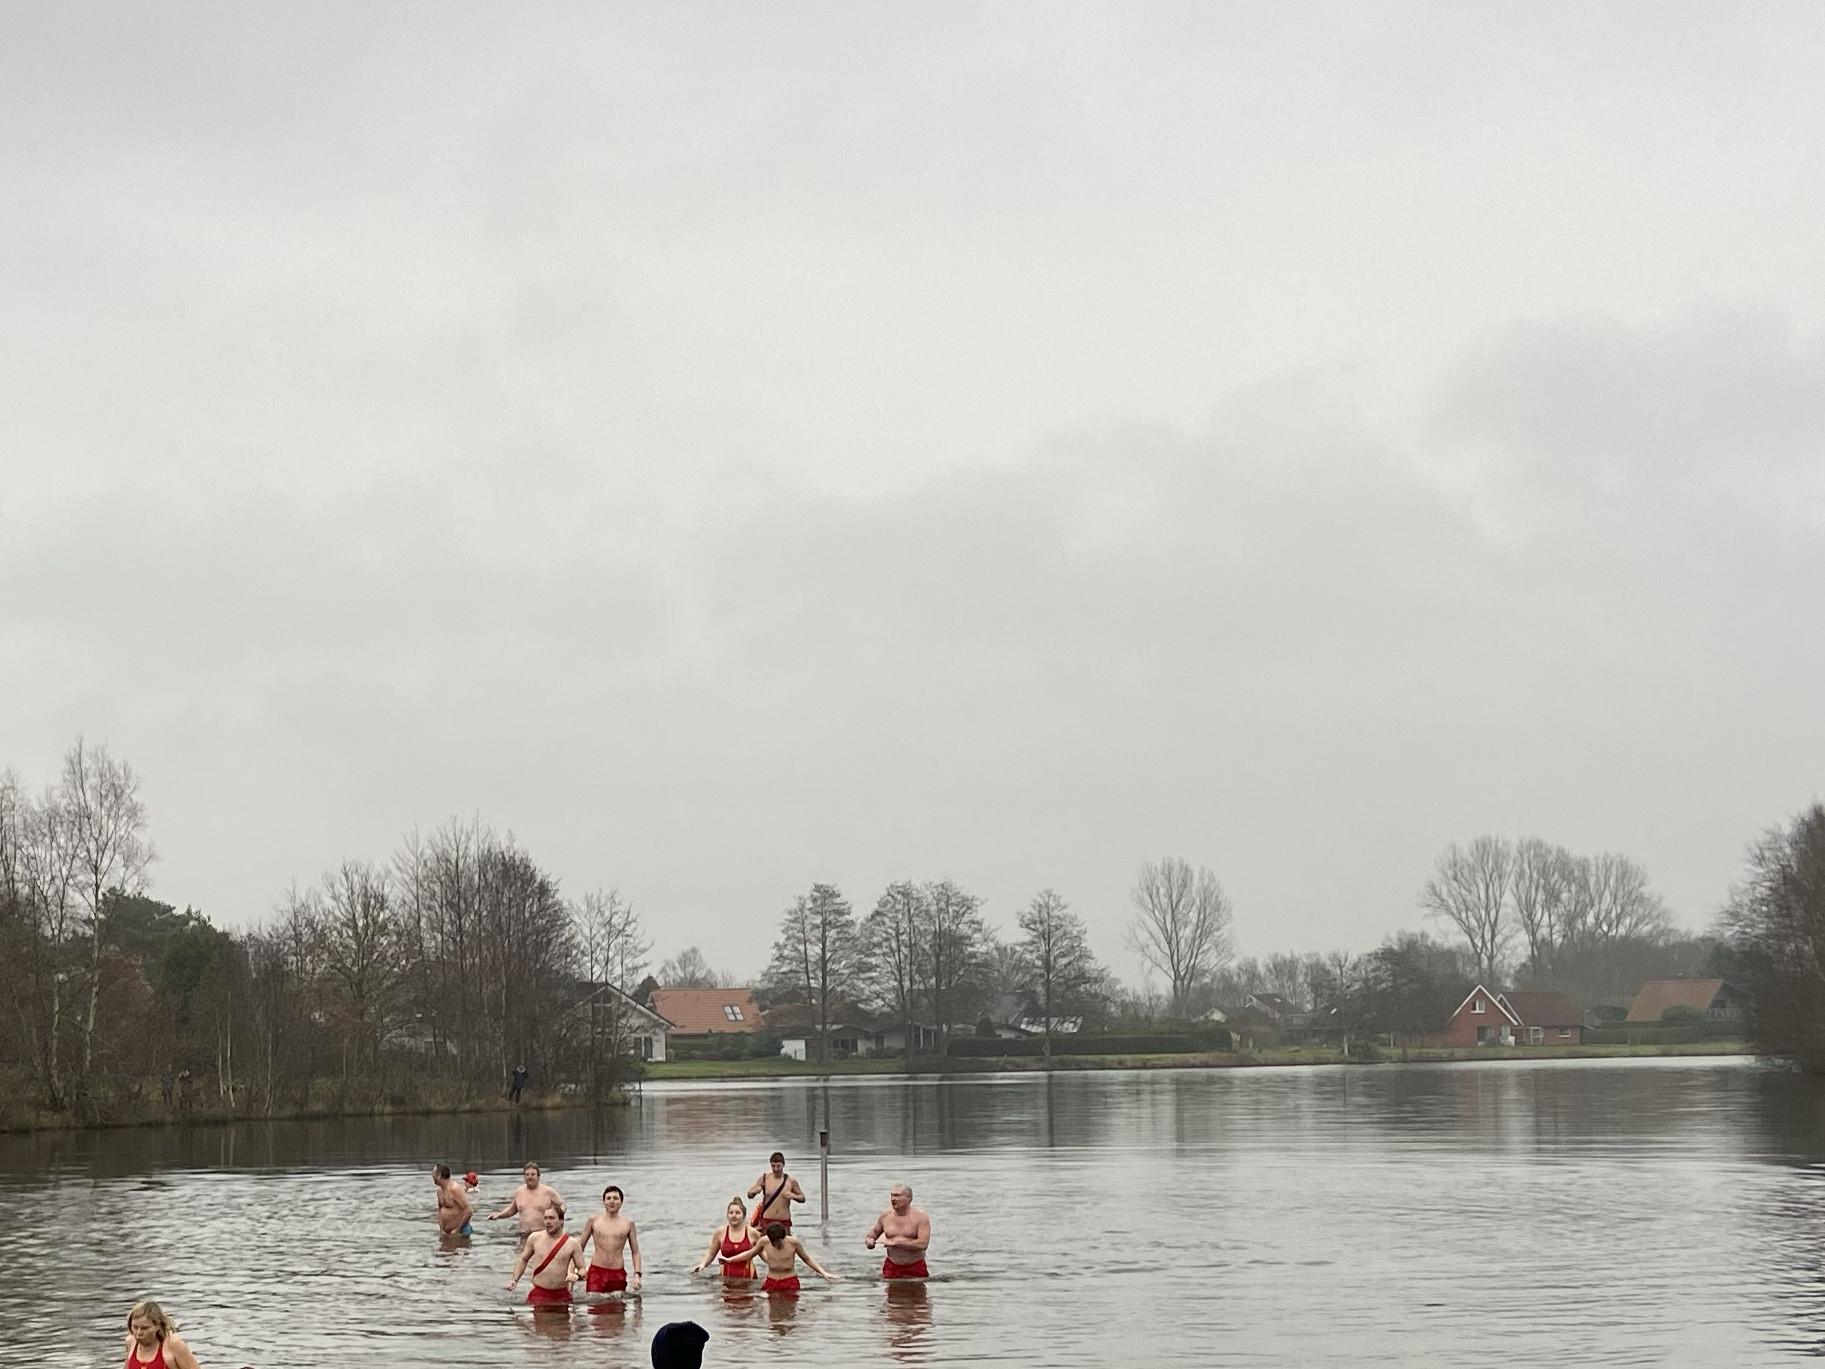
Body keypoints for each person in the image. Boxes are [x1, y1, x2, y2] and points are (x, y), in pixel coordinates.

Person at [504, 1204, 585, 1307]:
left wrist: (577, 1275)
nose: (547, 1222)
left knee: (564, 1323)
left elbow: (582, 1269)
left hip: (562, 1295)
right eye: (545, 1218)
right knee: (539, 1323)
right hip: (539, 1294)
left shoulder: (572, 1243)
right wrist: (515, 1280)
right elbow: (523, 1259)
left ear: (561, 1221)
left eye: (551, 1218)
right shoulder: (534, 1238)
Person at [580, 1184, 643, 1295]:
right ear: (603, 1202)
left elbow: (635, 1252)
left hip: (617, 1272)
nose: (612, 1201)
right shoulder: (594, 1220)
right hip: (596, 1272)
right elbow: (580, 1247)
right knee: (594, 1306)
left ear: (621, 1202)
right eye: (608, 1198)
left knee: (617, 1309)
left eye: (615, 1198)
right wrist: (578, 1269)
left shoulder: (628, 1224)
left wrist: (637, 1275)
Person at [752, 1220, 839, 1296]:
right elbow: (751, 1253)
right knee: (773, 1312)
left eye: (779, 1242)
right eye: (774, 1242)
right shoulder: (764, 1241)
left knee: (790, 1310)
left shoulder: (793, 1243)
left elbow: (807, 1259)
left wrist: (824, 1273)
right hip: (771, 1281)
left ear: (783, 1238)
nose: (776, 1245)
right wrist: (738, 1258)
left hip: (790, 1282)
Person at [865, 1183, 931, 1278]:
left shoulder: (921, 1217)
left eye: (897, 1195)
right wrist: (869, 1241)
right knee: (892, 1291)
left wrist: (897, 1243)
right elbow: (873, 1233)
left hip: (915, 1266)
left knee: (918, 1292)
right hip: (892, 1265)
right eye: (892, 1195)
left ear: (909, 1198)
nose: (893, 1199)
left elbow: (923, 1244)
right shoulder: (885, 1216)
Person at [489, 1161, 565, 1236]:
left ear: (538, 1177)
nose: (530, 1177)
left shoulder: (548, 1191)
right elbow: (511, 1210)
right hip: (523, 1234)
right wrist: (498, 1215)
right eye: (527, 1175)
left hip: (542, 1234)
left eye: (533, 1174)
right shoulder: (519, 1192)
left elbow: (562, 1204)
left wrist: (559, 1217)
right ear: (524, 1177)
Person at [691, 1197, 759, 1279]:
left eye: (737, 1213)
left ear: (744, 1215)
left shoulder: (752, 1233)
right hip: (726, 1277)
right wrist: (703, 1264)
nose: (734, 1215)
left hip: (748, 1278)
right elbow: (711, 1254)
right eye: (731, 1213)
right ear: (727, 1215)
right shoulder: (720, 1233)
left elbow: (764, 1253)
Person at [123, 1300, 202, 1369]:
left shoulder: (173, 1344)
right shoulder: (131, 1342)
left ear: (158, 1326)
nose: (138, 1333)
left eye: (145, 1328)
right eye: (135, 1327)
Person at [746, 1151, 805, 1232]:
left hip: (784, 1221)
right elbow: (749, 1195)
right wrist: (755, 1192)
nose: (775, 1169)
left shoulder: (791, 1181)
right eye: (773, 1166)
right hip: (767, 1220)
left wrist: (793, 1196)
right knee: (766, 1243)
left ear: (783, 1165)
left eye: (778, 1166)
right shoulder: (764, 1179)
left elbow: (802, 1198)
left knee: (786, 1243)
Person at [433, 1163, 474, 1236]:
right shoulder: (439, 1192)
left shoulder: (455, 1189)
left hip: (460, 1232)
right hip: (446, 1233)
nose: (432, 1176)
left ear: (439, 1176)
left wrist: (457, 1230)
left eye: (433, 1173)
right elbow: (440, 1211)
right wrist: (442, 1229)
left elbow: (469, 1211)